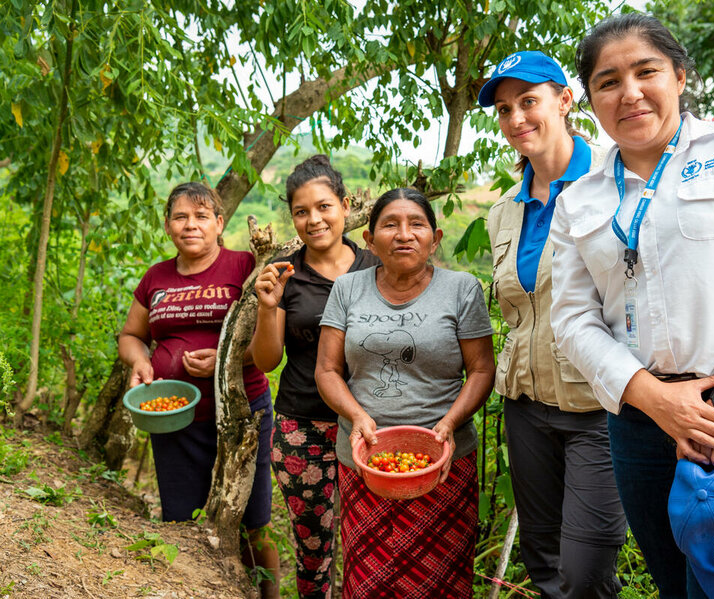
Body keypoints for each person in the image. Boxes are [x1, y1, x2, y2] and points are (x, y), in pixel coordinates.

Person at [549, 13, 714, 599]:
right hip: (641, 416)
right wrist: (657, 400)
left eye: (646, 71)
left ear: (678, 75)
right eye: (608, 81)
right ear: (589, 99)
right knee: (675, 584)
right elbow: (571, 319)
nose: (630, 92)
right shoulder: (578, 199)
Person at [476, 50, 626, 598]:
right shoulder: (504, 212)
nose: (517, 119)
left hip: (600, 409)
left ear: (565, 101)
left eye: (530, 101)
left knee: (586, 571)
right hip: (526, 407)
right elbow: (519, 313)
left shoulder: (616, 185)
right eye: (505, 109)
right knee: (545, 563)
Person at [315, 188, 495, 598]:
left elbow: (482, 369)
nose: (404, 234)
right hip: (366, 462)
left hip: (443, 462)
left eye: (416, 224)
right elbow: (327, 370)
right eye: (390, 225)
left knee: (440, 580)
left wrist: (448, 424)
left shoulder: (461, 289)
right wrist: (358, 418)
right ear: (369, 239)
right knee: (370, 578)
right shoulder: (347, 289)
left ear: (436, 237)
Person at [118, 182, 280, 598]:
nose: (191, 225)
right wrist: (139, 360)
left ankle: (267, 595)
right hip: (172, 418)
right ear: (169, 227)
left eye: (202, 215)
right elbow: (132, 335)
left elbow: (269, 338)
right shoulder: (156, 277)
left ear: (220, 223)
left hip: (242, 416)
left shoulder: (245, 265)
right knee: (181, 520)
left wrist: (227, 358)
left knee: (254, 521)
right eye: (181, 217)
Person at [249, 155, 379, 598]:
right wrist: (269, 306)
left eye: (324, 206)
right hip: (302, 428)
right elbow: (266, 361)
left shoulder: (374, 267)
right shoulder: (287, 274)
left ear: (345, 206)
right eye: (301, 212)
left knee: (371, 543)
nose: (314, 219)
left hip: (372, 424)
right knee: (313, 550)